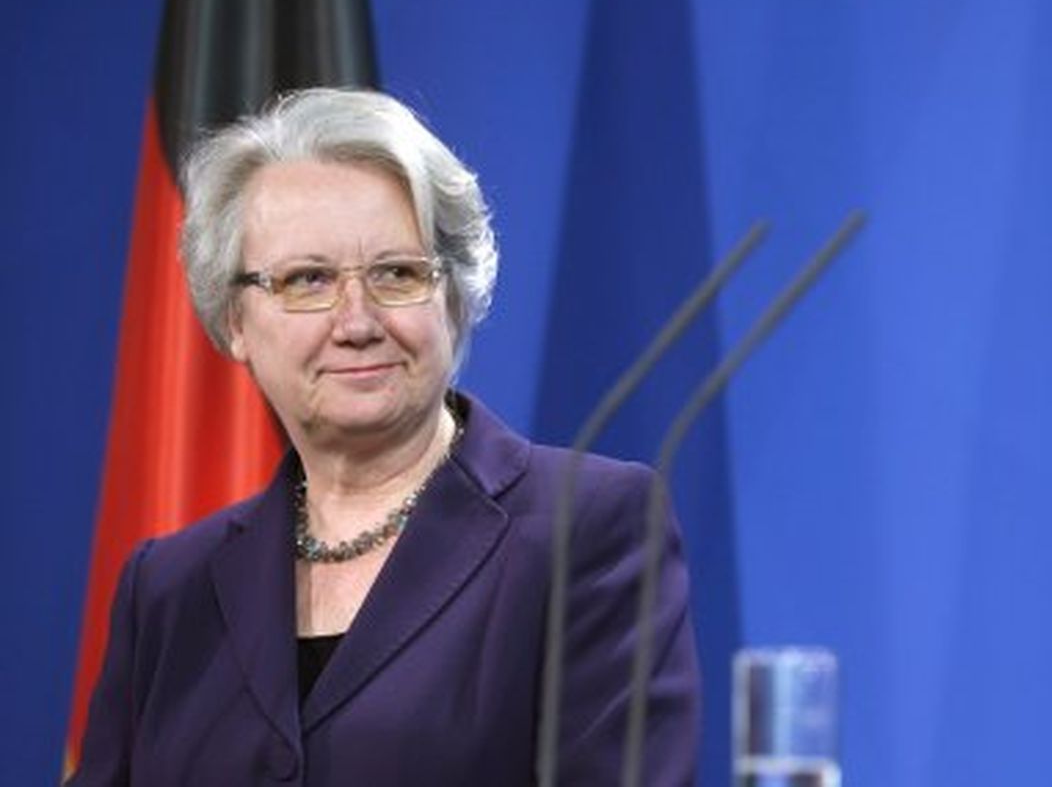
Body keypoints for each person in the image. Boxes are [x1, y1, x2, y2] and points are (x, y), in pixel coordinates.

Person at [70, 88, 701, 785]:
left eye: (397, 274)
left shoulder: (588, 528)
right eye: (308, 280)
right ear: (236, 320)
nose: (357, 322)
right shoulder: (166, 590)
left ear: (452, 298)